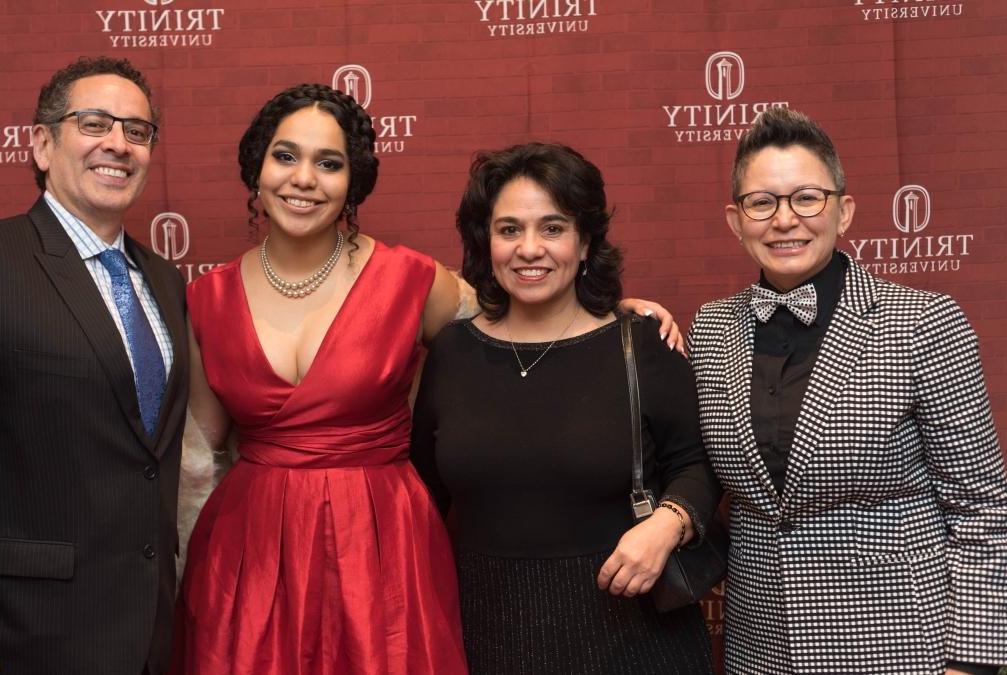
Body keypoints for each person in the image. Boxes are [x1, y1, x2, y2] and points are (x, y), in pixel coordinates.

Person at [172, 87, 679, 674]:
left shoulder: (411, 280)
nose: (303, 179)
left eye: (329, 163)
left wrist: (610, 313)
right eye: (285, 156)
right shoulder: (205, 299)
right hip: (252, 554)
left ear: (352, 181)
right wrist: (198, 573)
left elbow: (523, 313)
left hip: (381, 545)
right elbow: (199, 460)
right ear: (256, 168)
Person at [0, 56, 189, 675]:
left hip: (149, 636)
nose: (118, 145)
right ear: (43, 144)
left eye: (137, 130)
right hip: (22, 639)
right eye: (95, 123)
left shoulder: (163, 280)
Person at [687, 107, 1007, 675]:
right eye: (762, 203)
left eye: (807, 198)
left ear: (844, 211)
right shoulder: (712, 328)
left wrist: (972, 663)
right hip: (761, 645)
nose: (784, 220)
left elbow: (981, 508)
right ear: (736, 221)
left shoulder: (923, 321)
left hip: (902, 644)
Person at [410, 142, 721, 674]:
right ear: (487, 243)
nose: (530, 248)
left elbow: (698, 465)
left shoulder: (642, 342)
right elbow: (420, 495)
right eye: (510, 230)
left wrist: (668, 524)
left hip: (635, 638)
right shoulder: (452, 351)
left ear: (584, 243)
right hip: (488, 634)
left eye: (552, 228)